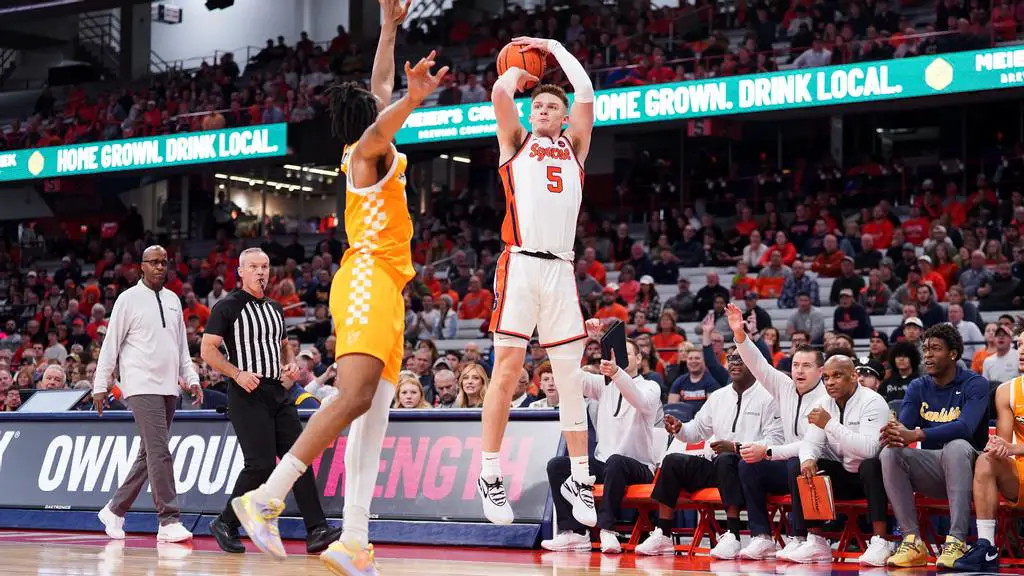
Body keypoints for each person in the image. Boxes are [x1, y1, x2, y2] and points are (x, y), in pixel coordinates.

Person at [228, 1, 448, 572]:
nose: (383, 103)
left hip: (388, 288)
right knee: (352, 400)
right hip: (367, 277)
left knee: (374, 418)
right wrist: (414, 98)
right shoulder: (366, 154)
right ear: (368, 121)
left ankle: (353, 538)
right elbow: (383, 117)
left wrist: (390, 28)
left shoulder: (371, 145)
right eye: (379, 109)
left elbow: (379, 84)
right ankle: (266, 498)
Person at [477, 32, 596, 527]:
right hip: (522, 262)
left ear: (563, 117)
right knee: (507, 370)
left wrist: (552, 46)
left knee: (570, 377)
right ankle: (489, 473)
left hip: (562, 269)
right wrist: (516, 73)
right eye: (539, 105)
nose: (543, 109)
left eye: (551, 105)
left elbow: (586, 92)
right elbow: (500, 96)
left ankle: (581, 477)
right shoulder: (516, 142)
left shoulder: (576, 147)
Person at [200, 248, 342, 555]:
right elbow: (208, 349)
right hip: (246, 393)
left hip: (279, 390)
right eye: (253, 266)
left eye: (264, 266)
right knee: (260, 465)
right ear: (241, 272)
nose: (260, 272)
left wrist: (289, 363)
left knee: (299, 459)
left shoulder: (276, 308)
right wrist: (236, 374)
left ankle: (316, 529)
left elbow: (282, 346)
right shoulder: (227, 307)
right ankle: (225, 522)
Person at [92, 245, 199, 543]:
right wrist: (101, 385)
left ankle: (115, 510)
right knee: (160, 451)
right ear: (141, 266)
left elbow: (181, 349)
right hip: (140, 386)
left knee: (149, 453)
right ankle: (168, 520)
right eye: (153, 262)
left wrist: (191, 379)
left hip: (169, 387)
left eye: (164, 262)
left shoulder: (174, 300)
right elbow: (110, 344)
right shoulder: (128, 300)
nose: (160, 267)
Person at [634, 345, 783, 558]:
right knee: (673, 461)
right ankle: (663, 534)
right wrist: (680, 428)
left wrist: (735, 447)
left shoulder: (769, 397)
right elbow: (697, 430)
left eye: (740, 359)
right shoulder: (719, 396)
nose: (734, 363)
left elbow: (774, 441)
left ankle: (732, 534)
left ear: (755, 362)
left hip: (749, 468)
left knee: (726, 459)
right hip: (718, 465)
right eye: (730, 358)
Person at [541, 330, 661, 554]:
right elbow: (569, 374)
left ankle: (607, 529)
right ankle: (575, 533)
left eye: (626, 354)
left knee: (616, 461)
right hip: (605, 466)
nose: (620, 359)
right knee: (557, 465)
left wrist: (616, 373)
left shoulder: (650, 386)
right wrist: (586, 340)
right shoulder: (602, 385)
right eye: (617, 355)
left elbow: (640, 401)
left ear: (639, 359)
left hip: (641, 467)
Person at [881, 324, 990, 568]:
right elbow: (904, 430)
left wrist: (916, 433)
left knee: (956, 445)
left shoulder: (976, 384)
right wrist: (893, 431)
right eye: (925, 349)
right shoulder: (919, 387)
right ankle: (912, 540)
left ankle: (957, 540)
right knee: (890, 453)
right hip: (934, 470)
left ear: (953, 353)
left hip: (974, 472)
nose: (927, 355)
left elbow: (965, 427)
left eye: (935, 349)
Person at [727, 303, 828, 561]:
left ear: (820, 372)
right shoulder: (784, 386)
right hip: (789, 465)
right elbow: (758, 365)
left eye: (806, 366)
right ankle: (762, 537)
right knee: (749, 465)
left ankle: (803, 538)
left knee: (797, 461)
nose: (799, 371)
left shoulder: (826, 398)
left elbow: (810, 445)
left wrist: (768, 451)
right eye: (795, 365)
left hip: (821, 467)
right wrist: (740, 335)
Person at [791, 355, 891, 565]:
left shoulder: (873, 401)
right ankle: (816, 541)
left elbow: (870, 450)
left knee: (871, 465)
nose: (830, 382)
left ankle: (880, 541)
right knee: (800, 465)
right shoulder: (823, 402)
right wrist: (808, 459)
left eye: (837, 376)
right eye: (826, 377)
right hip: (843, 476)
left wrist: (829, 424)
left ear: (854, 376)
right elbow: (811, 443)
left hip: (876, 480)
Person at [952, 329, 1024, 571]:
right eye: (1020, 344)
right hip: (1019, 475)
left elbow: (1014, 446)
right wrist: (997, 446)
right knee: (986, 460)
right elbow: (1004, 445)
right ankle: (986, 546)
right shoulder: (1006, 391)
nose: (1022, 351)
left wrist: (1016, 447)